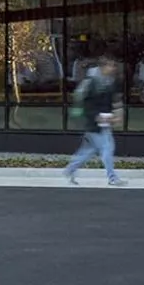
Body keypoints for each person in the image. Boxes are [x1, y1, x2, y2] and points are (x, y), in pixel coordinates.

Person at [62, 57, 124, 187]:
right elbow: (85, 102)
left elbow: (112, 101)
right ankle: (112, 177)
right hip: (94, 122)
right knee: (107, 148)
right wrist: (95, 116)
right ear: (102, 67)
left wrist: (115, 116)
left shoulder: (108, 82)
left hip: (103, 122)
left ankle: (70, 170)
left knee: (89, 150)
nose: (113, 68)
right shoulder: (92, 82)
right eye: (110, 66)